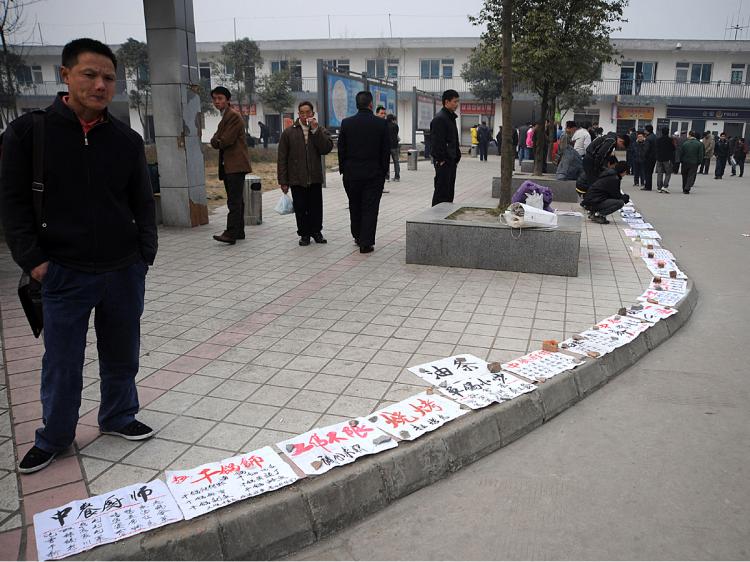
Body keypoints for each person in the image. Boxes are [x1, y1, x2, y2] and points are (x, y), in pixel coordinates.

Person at [0, 38, 158, 473]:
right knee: (62, 360)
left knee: (122, 351)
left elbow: (142, 202)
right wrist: (33, 260)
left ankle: (118, 416)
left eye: (108, 77)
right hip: (62, 271)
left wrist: (144, 253)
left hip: (123, 269)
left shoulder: (125, 140)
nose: (100, 84)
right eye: (89, 74)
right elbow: (12, 204)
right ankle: (55, 436)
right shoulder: (30, 133)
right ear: (66, 75)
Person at [338, 91, 390, 254]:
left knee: (355, 205)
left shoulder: (347, 123)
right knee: (370, 207)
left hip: (352, 174)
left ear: (356, 104)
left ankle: (358, 235)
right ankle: (366, 243)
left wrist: (343, 169)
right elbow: (385, 150)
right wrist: (383, 171)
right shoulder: (381, 124)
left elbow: (341, 149)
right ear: (371, 104)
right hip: (374, 174)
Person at [277, 100, 334, 247]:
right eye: (301, 113)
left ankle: (316, 232)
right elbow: (282, 158)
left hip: (314, 176)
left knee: (316, 207)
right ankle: (304, 234)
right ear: (298, 114)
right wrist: (283, 181)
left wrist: (315, 131)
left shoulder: (319, 130)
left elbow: (326, 148)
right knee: (301, 208)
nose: (304, 115)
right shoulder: (288, 133)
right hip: (296, 178)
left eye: (307, 112)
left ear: (313, 114)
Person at [210, 86, 252, 244]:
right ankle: (239, 231)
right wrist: (217, 140)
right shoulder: (225, 116)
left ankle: (231, 233)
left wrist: (216, 140)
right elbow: (216, 138)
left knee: (233, 201)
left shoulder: (233, 116)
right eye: (214, 99)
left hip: (235, 165)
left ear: (227, 100)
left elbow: (224, 141)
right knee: (237, 200)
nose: (217, 101)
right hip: (230, 165)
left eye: (220, 98)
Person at [429, 89, 461, 206]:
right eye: (454, 101)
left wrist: (457, 157)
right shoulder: (440, 119)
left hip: (451, 160)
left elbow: (453, 140)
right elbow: (436, 142)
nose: (456, 104)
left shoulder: (450, 118)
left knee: (449, 191)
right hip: (444, 162)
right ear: (446, 102)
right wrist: (441, 159)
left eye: (457, 101)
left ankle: (445, 215)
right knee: (441, 191)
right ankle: (436, 217)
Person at [575, 131, 630, 199]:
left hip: (590, 159)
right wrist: (598, 168)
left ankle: (590, 199)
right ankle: (589, 200)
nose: (619, 148)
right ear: (621, 141)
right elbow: (601, 155)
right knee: (593, 182)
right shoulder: (611, 141)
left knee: (593, 181)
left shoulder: (609, 138)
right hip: (591, 161)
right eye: (621, 147)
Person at [655, 126, 675, 194]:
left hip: (659, 159)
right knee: (668, 173)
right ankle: (665, 186)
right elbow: (673, 148)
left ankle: (659, 187)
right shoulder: (670, 140)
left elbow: (656, 148)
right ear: (668, 132)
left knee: (660, 173)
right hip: (667, 159)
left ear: (662, 132)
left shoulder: (658, 139)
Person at [641, 124, 657, 191]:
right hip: (654, 157)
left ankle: (647, 186)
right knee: (650, 172)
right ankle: (648, 186)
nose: (644, 131)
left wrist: (643, 156)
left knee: (647, 172)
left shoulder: (648, 138)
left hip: (648, 158)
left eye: (645, 130)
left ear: (647, 131)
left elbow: (646, 149)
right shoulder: (655, 137)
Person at [386, 114, 401, 181]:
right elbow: (396, 134)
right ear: (392, 119)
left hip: (387, 146)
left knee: (386, 162)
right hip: (395, 146)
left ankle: (387, 176)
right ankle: (397, 177)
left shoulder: (385, 125)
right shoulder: (396, 126)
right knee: (396, 162)